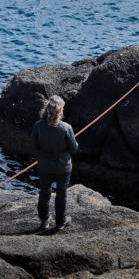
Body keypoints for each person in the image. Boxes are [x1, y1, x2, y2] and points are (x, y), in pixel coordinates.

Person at [32, 95, 78, 231]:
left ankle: (44, 221)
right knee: (61, 193)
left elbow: (35, 147)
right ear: (60, 111)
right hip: (62, 167)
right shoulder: (66, 127)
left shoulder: (38, 125)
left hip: (44, 166)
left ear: (47, 109)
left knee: (44, 192)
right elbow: (73, 149)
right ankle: (60, 222)